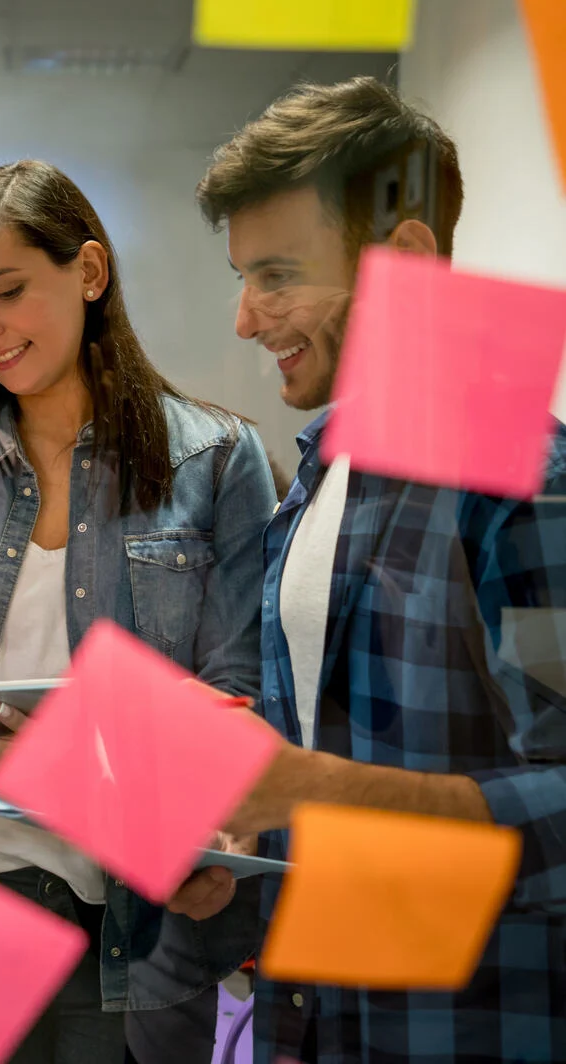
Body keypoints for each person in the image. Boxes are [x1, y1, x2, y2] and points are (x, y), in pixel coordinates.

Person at [171, 77, 566, 1063]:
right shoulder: (316, 475)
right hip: (316, 1017)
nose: (246, 320)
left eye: (276, 274)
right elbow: (316, 766)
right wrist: (235, 841)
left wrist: (317, 785)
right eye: (241, 277)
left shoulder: (522, 473)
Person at [0, 159, 277, 1064]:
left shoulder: (215, 460)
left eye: (8, 291)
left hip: (131, 913)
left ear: (89, 274)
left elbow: (240, 697)